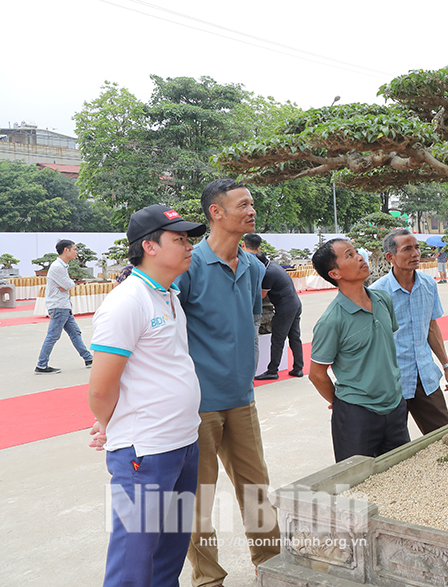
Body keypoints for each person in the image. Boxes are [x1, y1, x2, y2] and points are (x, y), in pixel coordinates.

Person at [87, 204, 207, 587]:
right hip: (146, 451)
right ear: (149, 247)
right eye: (179, 239)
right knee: (134, 560)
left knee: (170, 551)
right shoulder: (127, 302)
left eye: (189, 239)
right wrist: (111, 424)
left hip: (183, 442)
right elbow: (101, 387)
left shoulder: (168, 295)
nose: (189, 246)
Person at [174, 179, 279, 587]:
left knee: (256, 487)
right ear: (215, 212)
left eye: (252, 203)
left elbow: (252, 323)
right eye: (242, 204)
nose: (251, 210)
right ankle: (208, 577)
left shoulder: (254, 267)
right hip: (197, 404)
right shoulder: (189, 266)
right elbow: (171, 333)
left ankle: (269, 564)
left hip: (241, 398)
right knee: (198, 499)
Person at [309, 238, 409, 461]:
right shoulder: (331, 321)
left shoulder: (383, 300)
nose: (360, 257)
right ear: (335, 274)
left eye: (356, 252)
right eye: (350, 255)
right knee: (355, 485)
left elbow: (383, 349)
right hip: (357, 415)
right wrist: (343, 404)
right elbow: (316, 374)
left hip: (395, 406)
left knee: (401, 477)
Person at [369, 229, 448, 435]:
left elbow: (431, 327)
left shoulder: (428, 285)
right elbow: (369, 341)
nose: (415, 254)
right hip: (390, 381)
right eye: (407, 249)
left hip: (425, 377)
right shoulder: (377, 293)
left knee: (445, 436)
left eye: (417, 248)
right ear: (390, 257)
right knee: (393, 446)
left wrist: (447, 366)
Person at [243, 234, 304, 380]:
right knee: (294, 337)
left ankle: (272, 370)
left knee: (278, 339)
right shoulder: (274, 265)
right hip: (296, 303)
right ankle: (298, 368)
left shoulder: (268, 273)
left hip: (285, 308)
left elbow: (262, 296)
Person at [35, 239, 93, 374]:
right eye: (74, 249)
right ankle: (41, 365)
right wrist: (69, 283)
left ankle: (88, 358)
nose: (76, 252)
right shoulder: (58, 267)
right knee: (53, 336)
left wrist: (68, 284)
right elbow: (68, 285)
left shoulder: (62, 266)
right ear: (66, 250)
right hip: (59, 306)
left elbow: (66, 285)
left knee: (75, 333)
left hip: (64, 306)